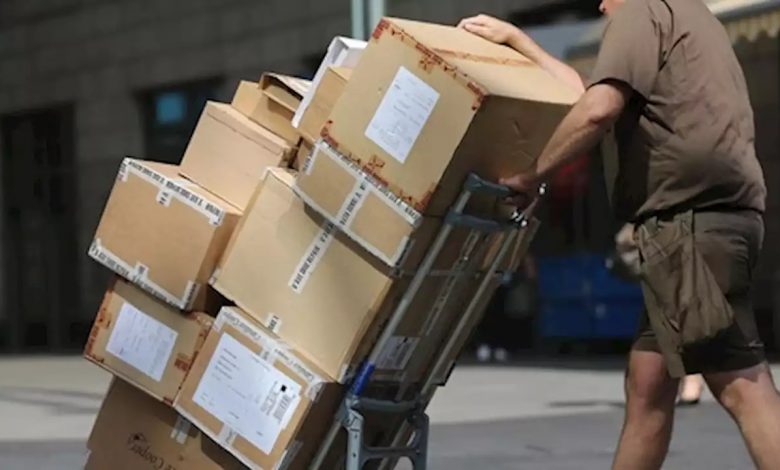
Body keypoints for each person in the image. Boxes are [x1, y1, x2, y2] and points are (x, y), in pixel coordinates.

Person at [459, 1, 780, 468]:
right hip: (707, 224)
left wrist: (531, 175)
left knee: (742, 386)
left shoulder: (640, 10)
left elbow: (597, 109)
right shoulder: (689, 15)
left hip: (687, 228)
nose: (600, 5)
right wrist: (519, 41)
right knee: (647, 387)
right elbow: (587, 92)